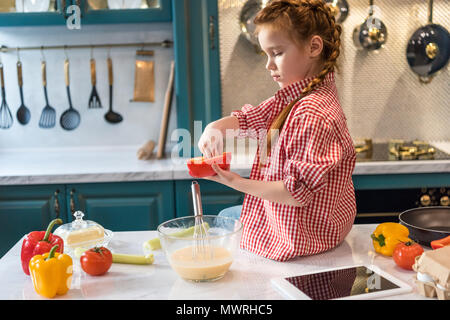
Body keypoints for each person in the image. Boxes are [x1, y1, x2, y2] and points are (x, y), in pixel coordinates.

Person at [198, 0, 356, 261]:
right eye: (266, 54)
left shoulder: (311, 113)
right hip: (314, 229)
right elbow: (259, 115)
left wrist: (235, 181)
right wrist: (215, 127)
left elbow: (296, 193)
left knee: (223, 224)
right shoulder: (303, 94)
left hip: (300, 238)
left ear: (314, 47)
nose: (268, 65)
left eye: (277, 53)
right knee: (228, 218)